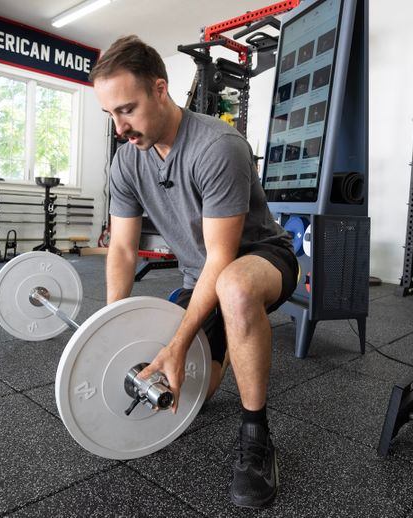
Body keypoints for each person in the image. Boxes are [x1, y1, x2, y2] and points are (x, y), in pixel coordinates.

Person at [90, 35, 298, 509]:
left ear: (160, 90)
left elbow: (222, 259)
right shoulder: (127, 160)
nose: (121, 128)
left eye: (127, 110)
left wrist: (178, 345)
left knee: (232, 291)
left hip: (261, 263)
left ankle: (257, 436)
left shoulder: (217, 147)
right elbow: (121, 249)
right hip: (199, 278)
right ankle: (214, 353)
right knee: (184, 397)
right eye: (111, 116)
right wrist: (110, 330)